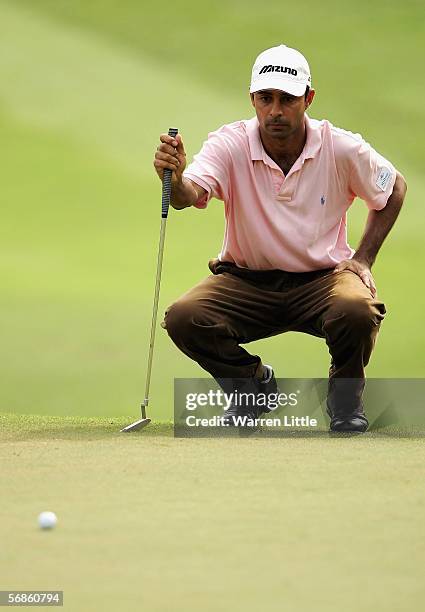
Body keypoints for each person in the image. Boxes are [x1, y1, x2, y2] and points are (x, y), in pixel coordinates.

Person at [153, 44, 407, 433]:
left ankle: (344, 401)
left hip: (323, 280)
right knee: (185, 318)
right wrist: (176, 176)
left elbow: (394, 188)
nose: (275, 110)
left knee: (357, 309)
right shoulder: (230, 143)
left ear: (308, 99)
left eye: (287, 99)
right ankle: (252, 389)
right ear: (252, 99)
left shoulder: (340, 147)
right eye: (265, 98)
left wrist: (364, 259)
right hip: (246, 281)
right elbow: (190, 196)